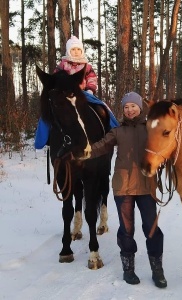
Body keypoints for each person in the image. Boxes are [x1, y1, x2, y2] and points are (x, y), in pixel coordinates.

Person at [89, 92, 167, 288]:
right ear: (122, 110)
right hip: (123, 187)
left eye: (133, 106)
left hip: (147, 186)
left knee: (152, 229)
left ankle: (157, 270)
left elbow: (164, 145)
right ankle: (128, 269)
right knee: (126, 230)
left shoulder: (151, 128)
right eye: (126, 107)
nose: (130, 110)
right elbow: (99, 147)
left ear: (140, 108)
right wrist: (82, 151)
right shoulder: (117, 131)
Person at [34, 36, 119, 150]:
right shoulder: (63, 65)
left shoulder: (86, 66)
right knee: (47, 113)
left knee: (102, 107)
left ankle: (114, 129)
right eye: (73, 49)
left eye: (78, 50)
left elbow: (92, 78)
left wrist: (90, 89)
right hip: (65, 94)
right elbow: (55, 79)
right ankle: (42, 138)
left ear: (82, 51)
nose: (76, 52)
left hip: (83, 93)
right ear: (69, 51)